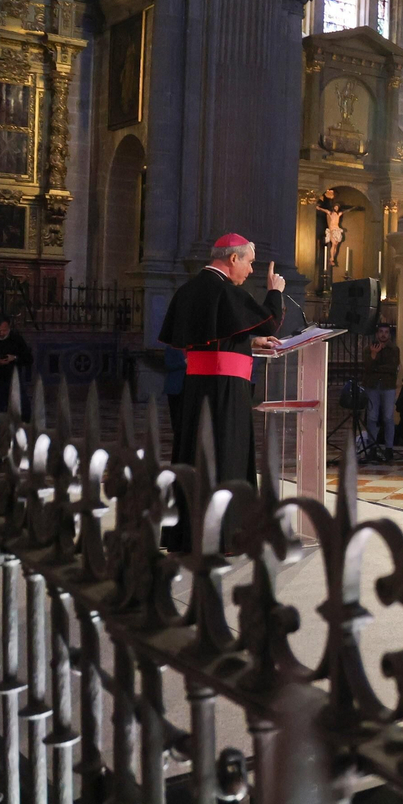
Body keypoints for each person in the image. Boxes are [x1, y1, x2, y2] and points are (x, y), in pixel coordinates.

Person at [157, 234, 284, 550]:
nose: (251, 270)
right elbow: (269, 322)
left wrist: (249, 342)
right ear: (233, 259)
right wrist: (275, 292)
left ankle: (186, 534)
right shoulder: (225, 291)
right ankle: (224, 536)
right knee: (226, 457)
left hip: (196, 388)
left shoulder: (189, 290)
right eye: (250, 262)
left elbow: (210, 337)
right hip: (226, 391)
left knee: (193, 456)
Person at [363, 324, 401, 457]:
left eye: (386, 332)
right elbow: (367, 367)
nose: (383, 335)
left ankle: (389, 448)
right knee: (372, 417)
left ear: (389, 335)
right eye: (381, 332)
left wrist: (376, 367)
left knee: (388, 417)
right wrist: (373, 355)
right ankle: (372, 447)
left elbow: (392, 368)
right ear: (377, 334)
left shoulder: (394, 349)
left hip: (388, 386)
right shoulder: (369, 349)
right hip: (372, 386)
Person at [315, 188, 363, 269]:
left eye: (337, 207)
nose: (336, 208)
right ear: (334, 207)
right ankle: (331, 258)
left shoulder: (339, 214)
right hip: (332, 230)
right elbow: (324, 210)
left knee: (336, 245)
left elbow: (346, 211)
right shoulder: (330, 213)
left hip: (337, 230)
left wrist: (353, 208)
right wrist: (318, 208)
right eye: (336, 207)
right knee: (333, 244)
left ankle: (332, 258)